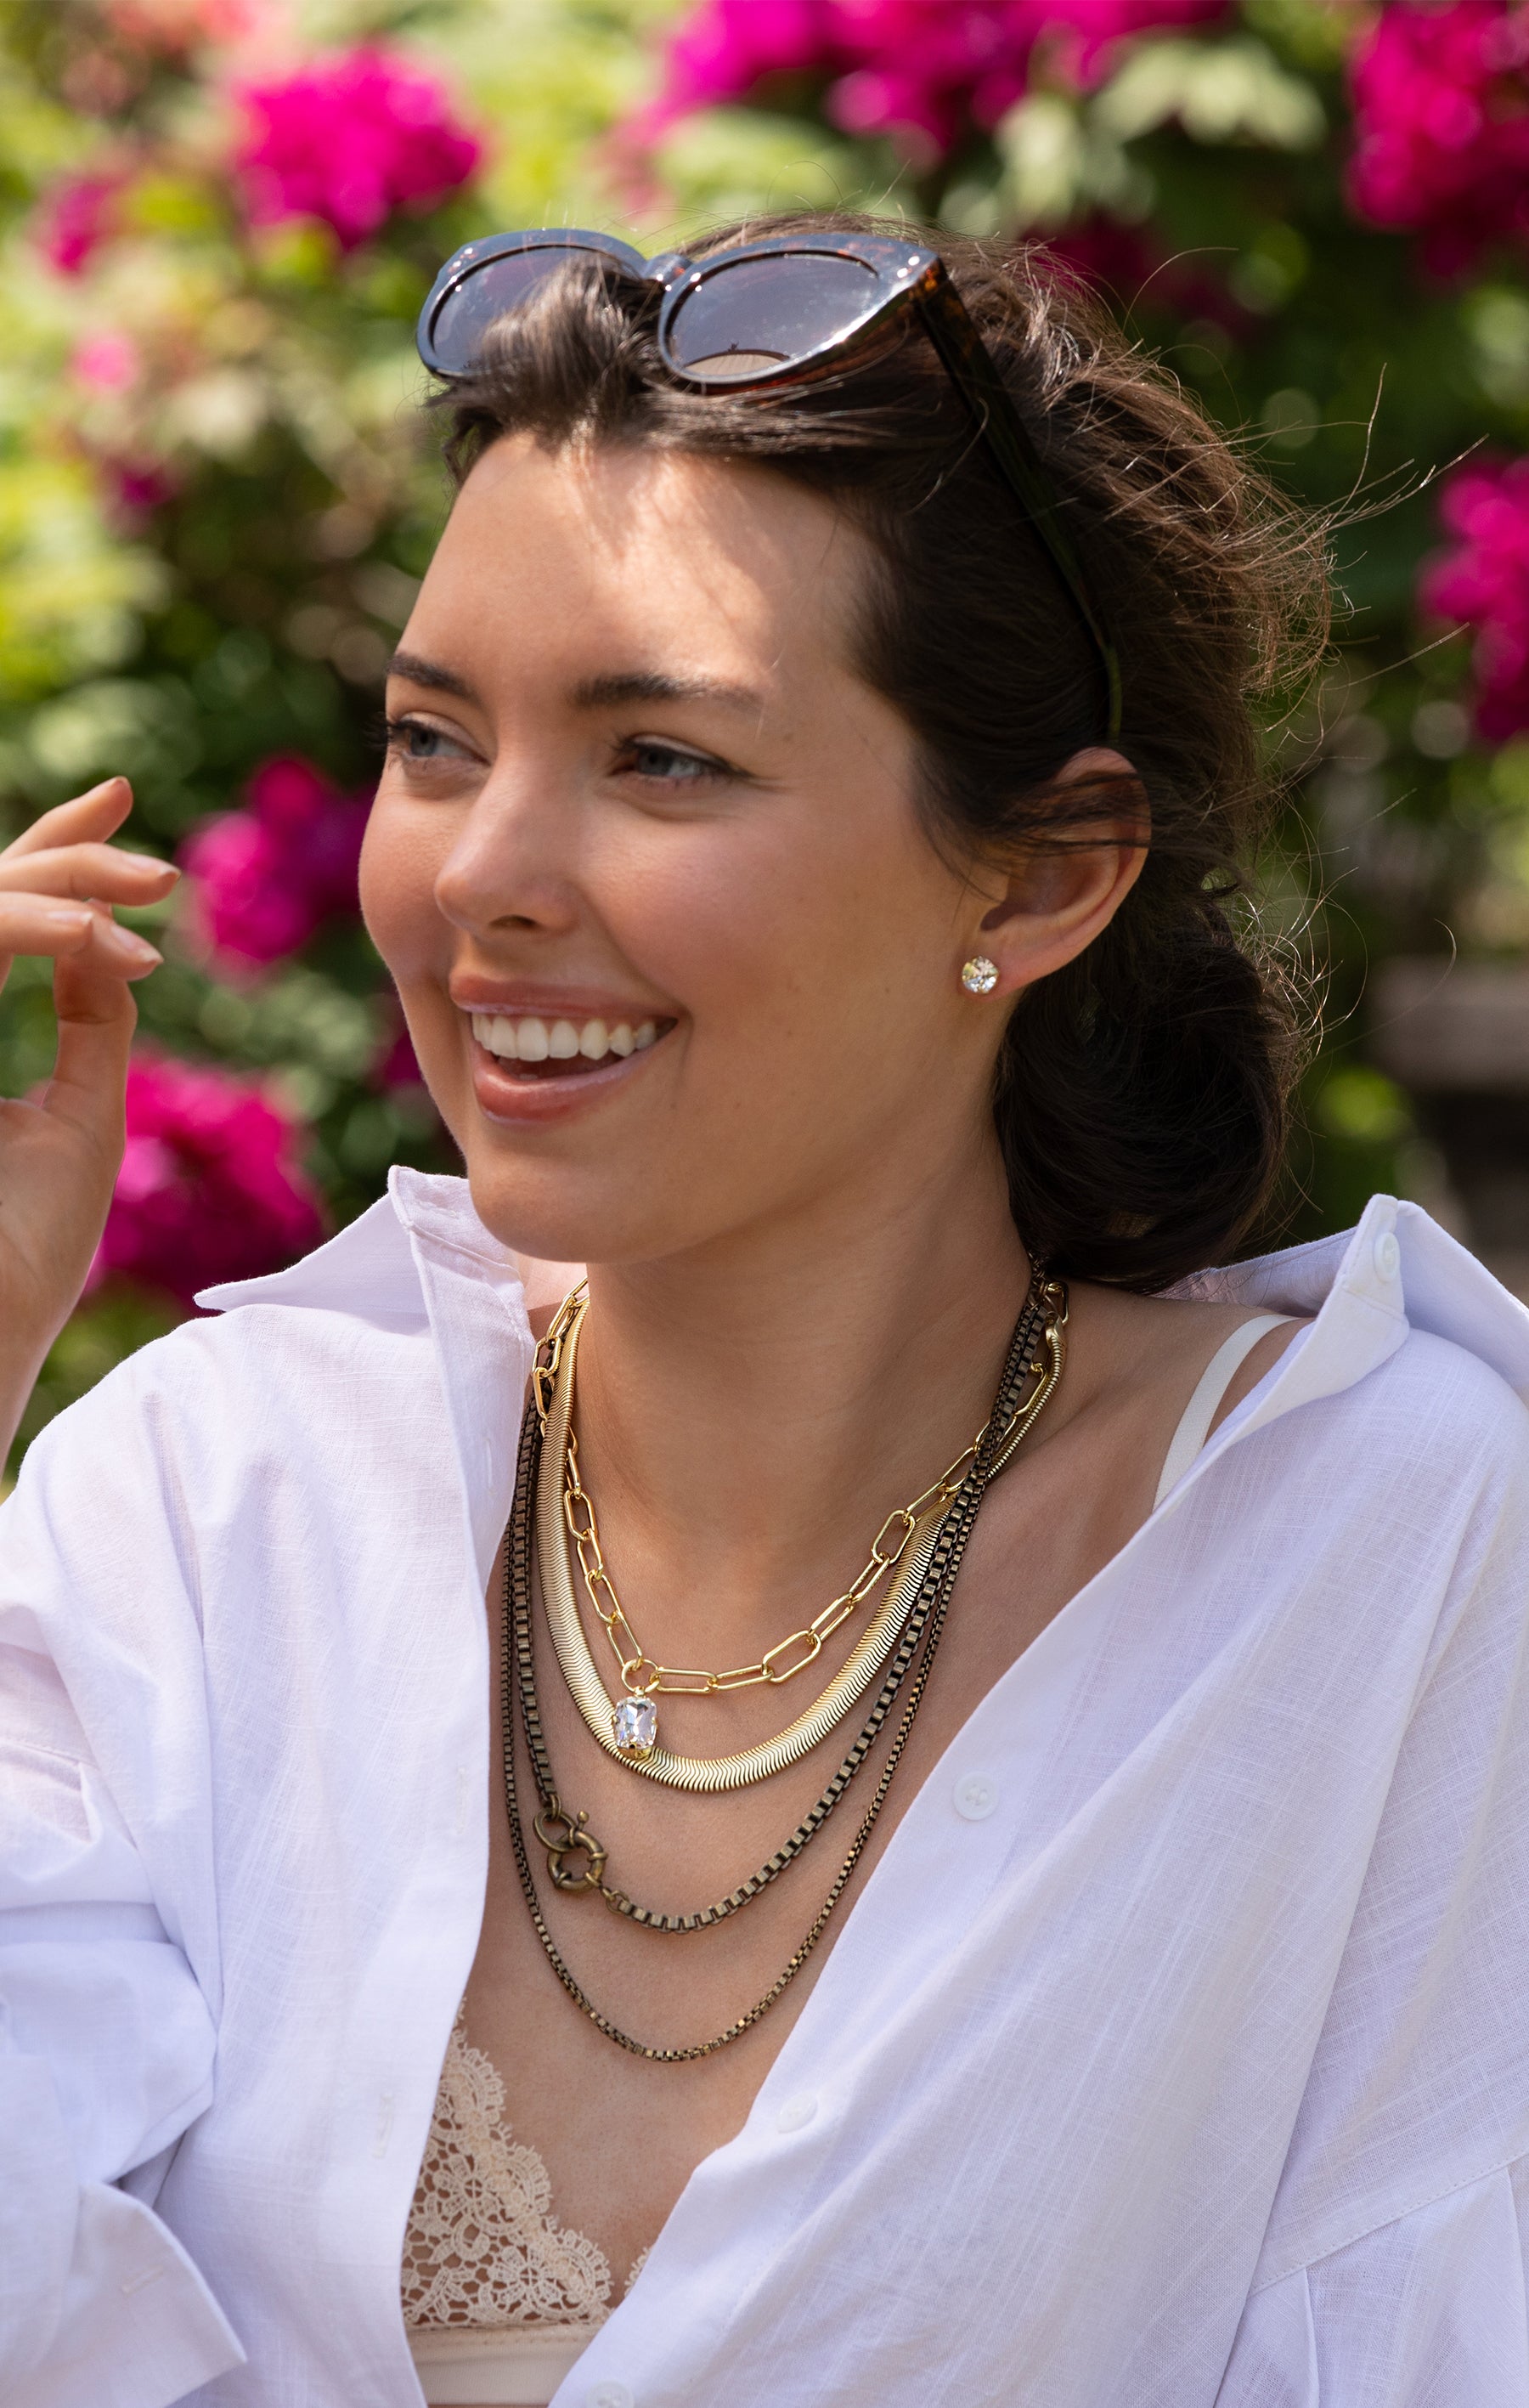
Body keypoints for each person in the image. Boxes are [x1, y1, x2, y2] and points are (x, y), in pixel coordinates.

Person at [3, 213, 1527, 2408]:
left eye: (663, 757)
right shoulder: (207, 1501)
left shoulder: (1370, 1550)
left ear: (1044, 872)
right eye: (434, 740)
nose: (480, 874)